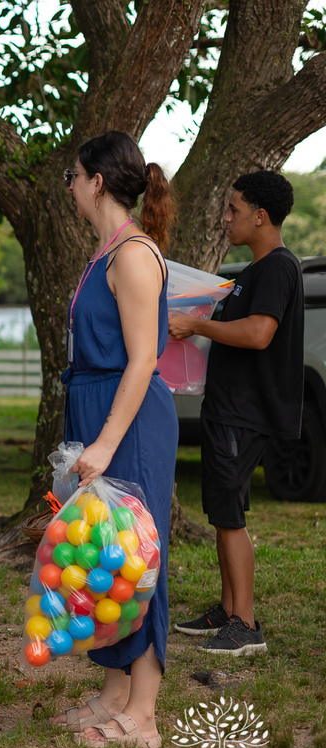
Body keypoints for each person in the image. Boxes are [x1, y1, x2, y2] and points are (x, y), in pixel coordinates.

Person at [47, 131, 177, 748]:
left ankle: (145, 713)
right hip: (95, 405)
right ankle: (115, 689)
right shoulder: (106, 251)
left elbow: (144, 359)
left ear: (97, 181)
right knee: (104, 552)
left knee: (139, 555)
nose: (69, 187)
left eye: (73, 176)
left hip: (128, 418)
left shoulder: (132, 254)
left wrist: (103, 442)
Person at [169, 171, 300, 656]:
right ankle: (227, 609)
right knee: (224, 508)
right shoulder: (254, 271)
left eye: (234, 209)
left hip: (245, 412)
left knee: (228, 515)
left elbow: (259, 334)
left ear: (260, 215)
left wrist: (198, 324)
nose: (225, 218)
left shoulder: (277, 268)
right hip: (228, 409)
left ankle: (245, 624)